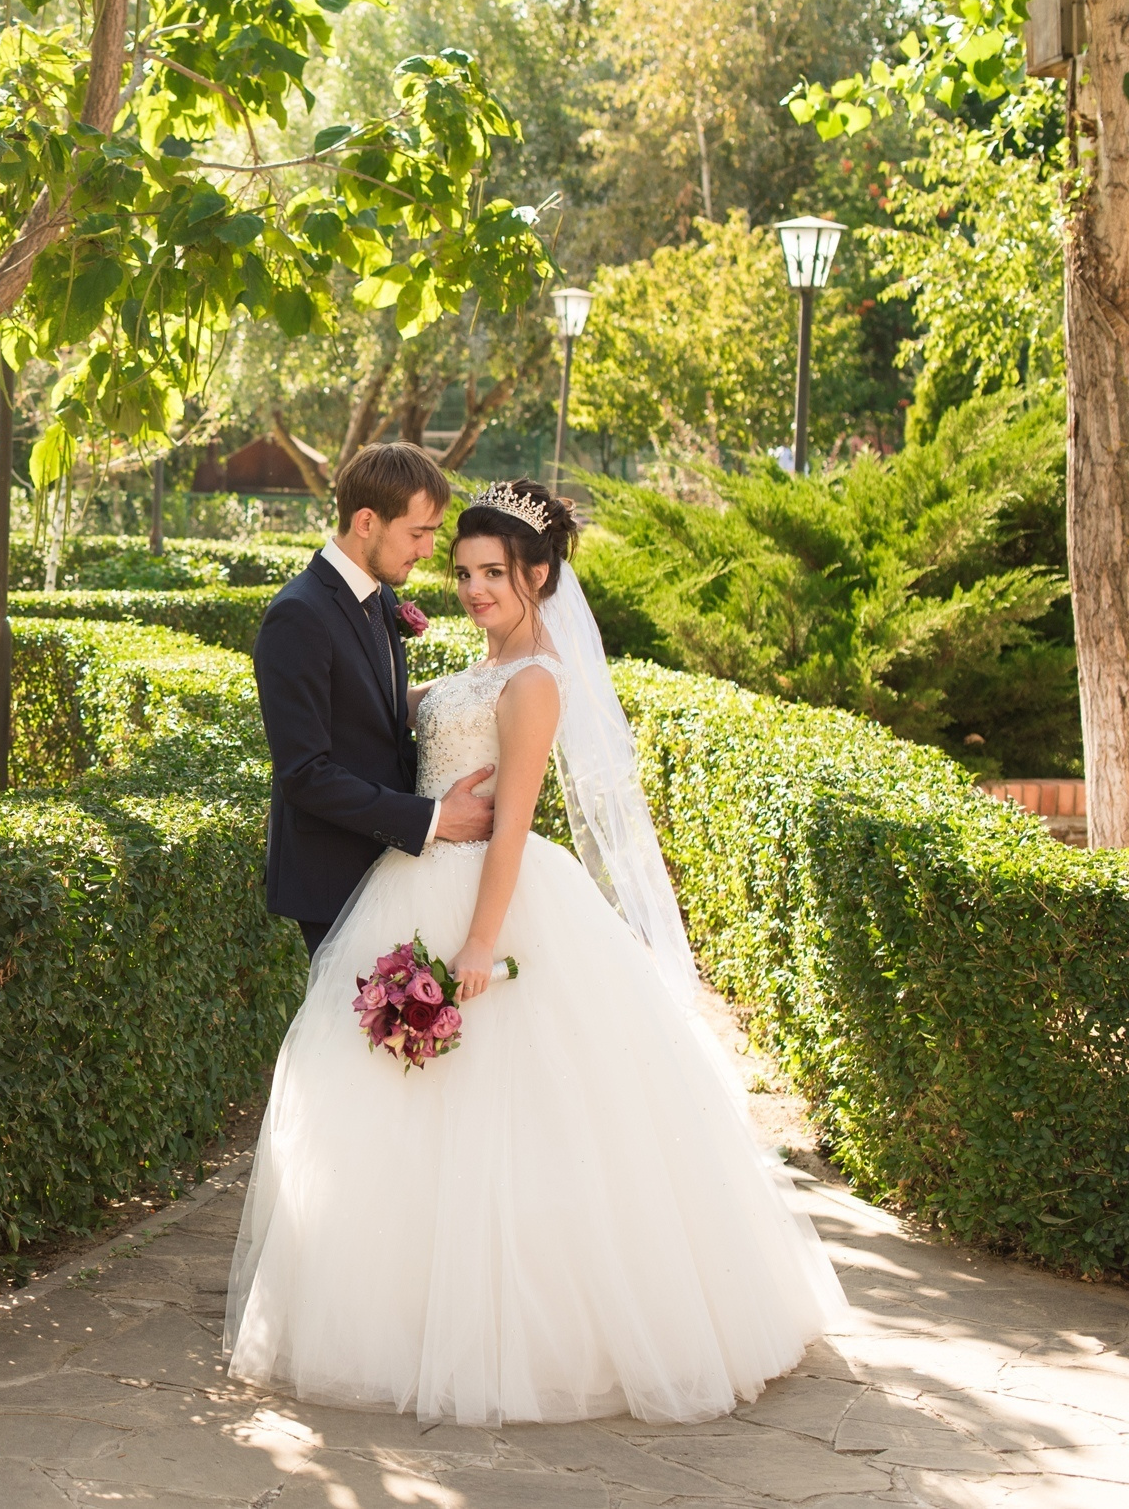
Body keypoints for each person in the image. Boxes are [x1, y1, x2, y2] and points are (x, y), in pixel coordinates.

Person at [225, 476, 845, 1427]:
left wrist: (479, 942)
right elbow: (392, 722)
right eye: (463, 567)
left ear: (541, 576)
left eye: (492, 574)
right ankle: (396, 1303)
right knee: (393, 1103)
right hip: (408, 884)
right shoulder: (471, 662)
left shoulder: (538, 679)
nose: (471, 587)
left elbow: (509, 828)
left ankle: (521, 1327)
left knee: (513, 1115)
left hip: (487, 905)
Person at [253, 444, 496, 960]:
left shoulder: (378, 594)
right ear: (366, 521)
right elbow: (305, 773)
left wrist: (478, 690)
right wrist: (435, 820)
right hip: (335, 877)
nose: (430, 550)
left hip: (391, 867)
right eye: (418, 532)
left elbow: (370, 711)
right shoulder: (298, 616)